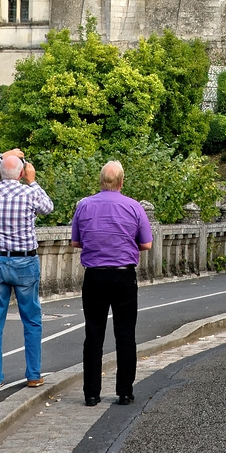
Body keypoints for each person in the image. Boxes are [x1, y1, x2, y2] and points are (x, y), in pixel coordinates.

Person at [71, 160, 154, 406]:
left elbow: (76, 242)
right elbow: (147, 243)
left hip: (95, 275)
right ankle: (125, 391)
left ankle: (91, 393)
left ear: (101, 181)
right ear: (121, 182)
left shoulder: (84, 206)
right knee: (125, 334)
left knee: (94, 334)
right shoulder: (134, 207)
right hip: (123, 275)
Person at [0, 148, 55, 390]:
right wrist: (33, 180)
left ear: (0, 173)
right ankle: (33, 374)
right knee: (31, 320)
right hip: (25, 262)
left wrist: (0, 156)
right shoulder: (29, 193)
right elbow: (48, 207)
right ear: (20, 174)